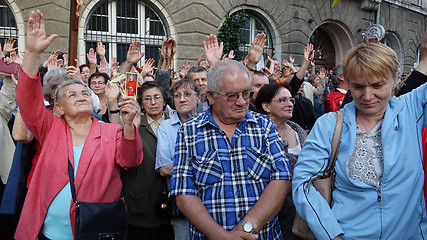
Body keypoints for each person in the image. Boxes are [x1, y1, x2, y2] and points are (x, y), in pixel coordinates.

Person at [14, 10, 143, 239]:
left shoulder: (111, 131)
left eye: (84, 92)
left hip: (95, 229)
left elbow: (130, 160)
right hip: (48, 232)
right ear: (59, 108)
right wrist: (32, 54)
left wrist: (129, 127)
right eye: (71, 95)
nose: (82, 96)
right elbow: (27, 100)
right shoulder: (50, 127)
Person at [292, 42, 427, 239]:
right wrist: (332, 235)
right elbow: (303, 184)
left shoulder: (413, 109)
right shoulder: (328, 125)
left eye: (377, 85)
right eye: (358, 86)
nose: (367, 96)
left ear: (395, 79)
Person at [170, 59, 292, 240]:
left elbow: (282, 179)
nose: (242, 102)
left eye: (246, 93)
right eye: (232, 95)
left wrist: (246, 228)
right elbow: (183, 193)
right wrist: (220, 236)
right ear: (211, 96)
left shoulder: (265, 126)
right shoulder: (189, 132)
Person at [254, 81, 307, 239]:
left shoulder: (298, 131)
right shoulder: (256, 135)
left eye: (291, 100)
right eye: (282, 100)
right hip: (269, 213)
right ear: (266, 106)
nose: (289, 104)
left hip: (299, 213)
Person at [122, 81, 174, 240]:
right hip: (141, 203)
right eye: (147, 99)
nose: (153, 102)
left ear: (164, 101)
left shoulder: (175, 125)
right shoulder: (134, 126)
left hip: (172, 204)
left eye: (157, 97)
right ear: (141, 104)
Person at [156, 79, 200, 240]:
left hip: (210, 201)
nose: (182, 99)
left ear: (199, 98)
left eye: (187, 94)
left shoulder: (210, 124)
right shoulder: (166, 127)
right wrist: (202, 167)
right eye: (177, 95)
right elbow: (164, 168)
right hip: (181, 202)